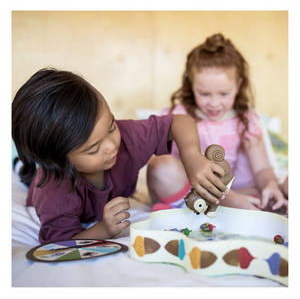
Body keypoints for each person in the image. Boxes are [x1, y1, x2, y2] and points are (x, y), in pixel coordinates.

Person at [12, 68, 229, 244]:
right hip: (41, 182)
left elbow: (178, 122)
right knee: (27, 175)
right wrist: (103, 229)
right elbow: (58, 244)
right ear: (59, 160)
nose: (111, 146)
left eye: (111, 126)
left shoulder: (126, 137)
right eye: (93, 149)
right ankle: (20, 166)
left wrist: (191, 156)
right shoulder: (54, 191)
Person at [147, 33, 288, 214]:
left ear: (238, 86)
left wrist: (270, 185)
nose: (214, 103)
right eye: (205, 94)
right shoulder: (178, 115)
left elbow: (261, 169)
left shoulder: (246, 120)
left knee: (274, 188)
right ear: (191, 86)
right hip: (188, 189)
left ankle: (211, 205)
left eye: (223, 94)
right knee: (160, 166)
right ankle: (200, 204)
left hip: (236, 190)